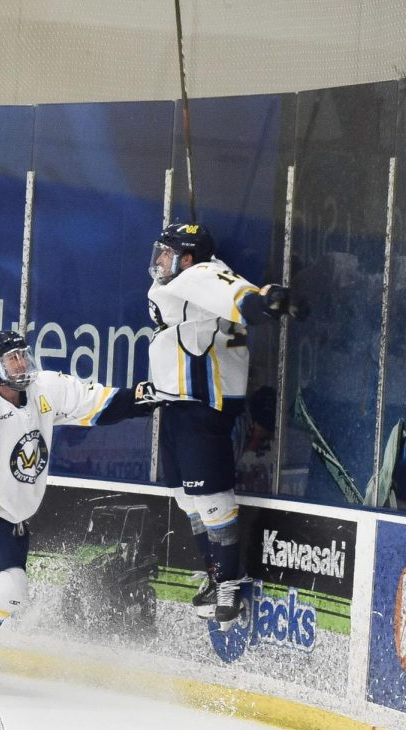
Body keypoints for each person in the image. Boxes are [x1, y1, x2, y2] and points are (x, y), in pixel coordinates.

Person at [0, 329, 157, 648]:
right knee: (9, 588)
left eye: (23, 354)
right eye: (12, 358)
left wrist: (140, 398)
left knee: (12, 592)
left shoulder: (47, 387)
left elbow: (98, 405)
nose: (22, 362)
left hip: (13, 519)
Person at [147, 223, 308, 631]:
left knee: (212, 496)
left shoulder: (202, 273)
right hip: (177, 403)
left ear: (187, 258)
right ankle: (215, 575)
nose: (159, 261)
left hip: (203, 405)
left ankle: (229, 585)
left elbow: (238, 297)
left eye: (167, 254)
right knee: (186, 498)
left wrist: (264, 302)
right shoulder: (193, 275)